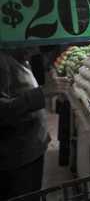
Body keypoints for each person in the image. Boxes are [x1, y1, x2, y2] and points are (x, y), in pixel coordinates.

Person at [0, 49, 52, 200]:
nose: (35, 49)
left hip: (31, 149)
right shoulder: (2, 61)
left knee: (33, 193)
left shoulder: (19, 57)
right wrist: (43, 93)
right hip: (16, 158)